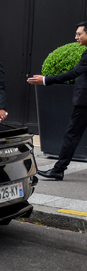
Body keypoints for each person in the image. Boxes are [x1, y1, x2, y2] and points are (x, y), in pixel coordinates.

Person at [27, 21, 87, 181]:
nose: (76, 37)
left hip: (84, 103)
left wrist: (46, 79)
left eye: (79, 34)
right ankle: (58, 169)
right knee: (72, 135)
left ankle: (58, 170)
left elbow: (74, 73)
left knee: (72, 135)